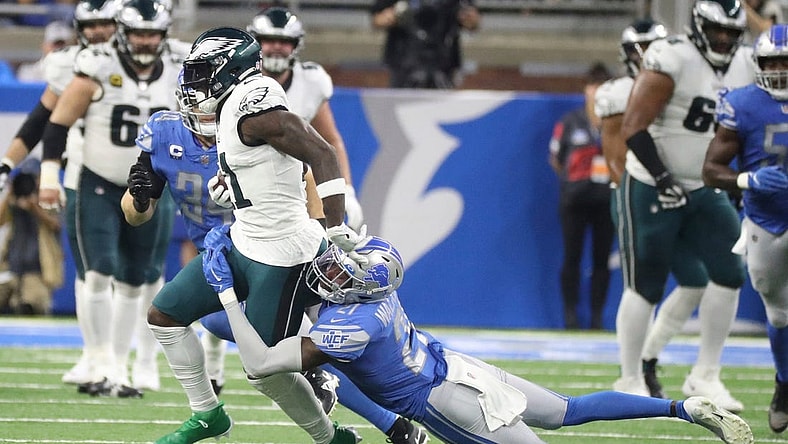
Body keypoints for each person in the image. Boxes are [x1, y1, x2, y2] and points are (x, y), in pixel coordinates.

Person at [201, 228, 754, 444]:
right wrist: (334, 238)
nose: (335, 272)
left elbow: (263, 362)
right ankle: (684, 410)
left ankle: (688, 413)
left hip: (447, 398)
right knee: (569, 409)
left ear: (362, 288)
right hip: (457, 368)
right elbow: (334, 267)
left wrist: (224, 292)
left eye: (347, 272)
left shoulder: (354, 321)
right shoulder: (377, 297)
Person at [145, 26, 364, 444]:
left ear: (232, 70)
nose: (193, 83)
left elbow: (321, 152)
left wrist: (336, 226)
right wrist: (232, 183)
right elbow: (266, 163)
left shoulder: (253, 105)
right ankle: (208, 414)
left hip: (282, 252)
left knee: (264, 369)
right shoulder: (231, 105)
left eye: (203, 72)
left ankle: (329, 436)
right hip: (246, 239)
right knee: (165, 316)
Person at [37, 0, 183, 397]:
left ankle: (124, 363)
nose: (145, 40)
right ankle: (102, 361)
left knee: (138, 279)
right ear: (123, 31)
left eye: (152, 32)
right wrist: (49, 173)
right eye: (138, 32)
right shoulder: (97, 64)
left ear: (164, 32)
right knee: (99, 270)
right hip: (99, 180)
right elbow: (57, 123)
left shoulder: (181, 65)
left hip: (152, 183)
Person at [616, 0, 754, 411]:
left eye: (731, 32)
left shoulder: (747, 64)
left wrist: (732, 175)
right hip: (650, 183)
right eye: (717, 31)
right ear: (698, 28)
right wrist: (662, 177)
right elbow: (633, 127)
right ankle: (629, 377)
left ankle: (705, 375)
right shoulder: (672, 56)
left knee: (729, 271)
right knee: (646, 284)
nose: (724, 40)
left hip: (704, 185)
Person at [0, 0, 118, 387]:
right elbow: (39, 122)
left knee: (137, 277)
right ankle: (97, 355)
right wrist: (8, 164)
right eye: (93, 24)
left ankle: (132, 361)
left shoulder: (154, 65)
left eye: (107, 23)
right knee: (92, 273)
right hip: (87, 175)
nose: (100, 31)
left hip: (140, 175)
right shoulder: (69, 65)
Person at [702, 23, 788, 434]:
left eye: (786, 61)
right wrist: (748, 180)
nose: (779, 70)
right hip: (765, 217)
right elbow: (710, 170)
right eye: (772, 62)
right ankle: (785, 382)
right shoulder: (742, 104)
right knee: (779, 310)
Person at [247, 5, 364, 231]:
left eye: (285, 41)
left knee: (319, 238)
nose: (277, 47)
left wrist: (346, 188)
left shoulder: (311, 81)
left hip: (296, 182)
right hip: (247, 177)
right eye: (269, 40)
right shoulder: (241, 82)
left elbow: (330, 140)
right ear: (256, 43)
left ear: (296, 45)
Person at [548, 61, 614, 330]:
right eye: (593, 85)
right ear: (586, 89)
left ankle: (597, 317)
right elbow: (555, 158)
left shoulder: (615, 124)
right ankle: (570, 315)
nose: (596, 92)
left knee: (601, 260)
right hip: (574, 201)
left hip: (606, 200)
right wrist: (574, 180)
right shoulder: (570, 122)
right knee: (572, 257)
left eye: (602, 86)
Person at [370, 0, 480, 89]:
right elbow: (377, 19)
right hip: (404, 62)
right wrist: (393, 15)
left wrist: (468, 18)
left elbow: (473, 22)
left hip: (443, 62)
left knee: (441, 109)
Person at [0, 164, 63, 315]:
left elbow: (56, 225)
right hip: (10, 265)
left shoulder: (50, 198)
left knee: (31, 306)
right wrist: (10, 193)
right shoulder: (13, 201)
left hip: (37, 268)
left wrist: (34, 207)